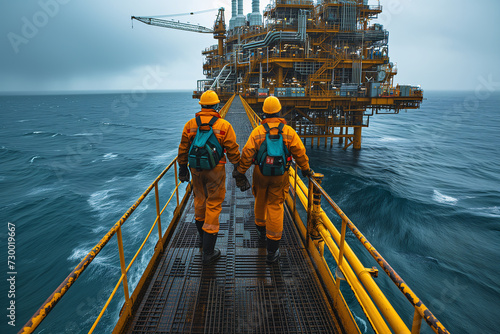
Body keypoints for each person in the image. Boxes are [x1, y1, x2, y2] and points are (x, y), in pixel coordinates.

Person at [233, 96, 313, 263]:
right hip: (280, 175)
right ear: (279, 111)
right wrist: (306, 169)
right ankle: (272, 251)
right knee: (275, 206)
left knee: (260, 200)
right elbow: (300, 152)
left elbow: (247, 154)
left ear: (264, 113)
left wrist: (240, 171)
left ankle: (261, 231)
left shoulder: (257, 132)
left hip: (260, 173)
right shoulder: (289, 132)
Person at [177, 90, 247, 265]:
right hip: (216, 168)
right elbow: (232, 149)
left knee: (199, 200)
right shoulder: (224, 125)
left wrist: (182, 168)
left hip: (195, 169)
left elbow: (183, 148)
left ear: (201, 105)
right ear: (217, 106)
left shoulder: (190, 125)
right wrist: (238, 169)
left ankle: (202, 239)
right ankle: (208, 252)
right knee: (214, 205)